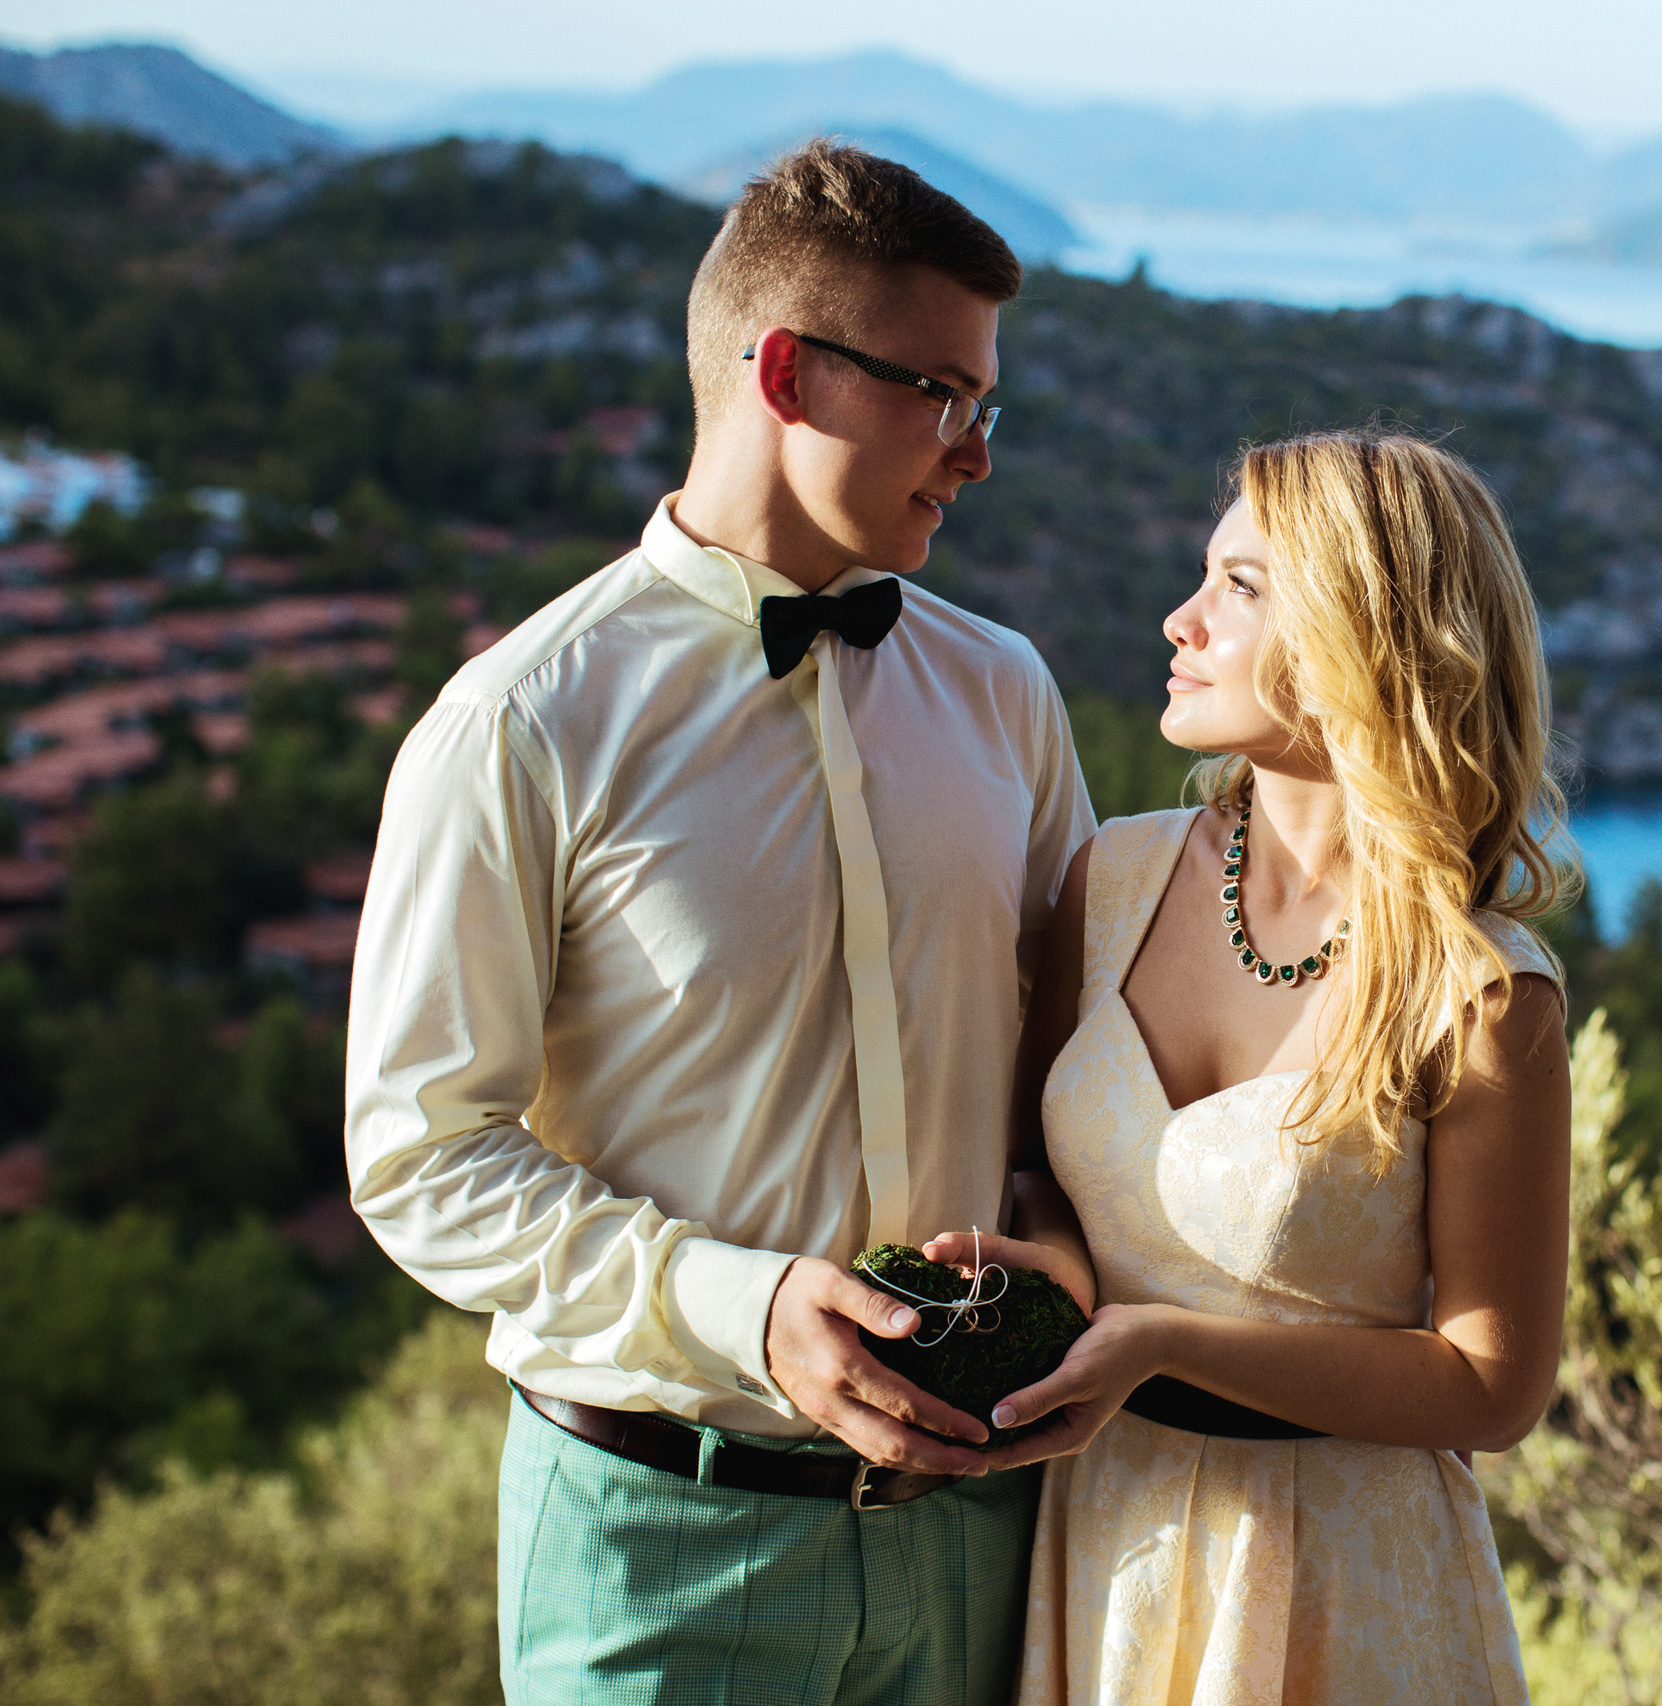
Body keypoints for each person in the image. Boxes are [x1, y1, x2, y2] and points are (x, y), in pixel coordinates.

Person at [344, 141, 1095, 1705]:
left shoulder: (1006, 695)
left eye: (985, 405)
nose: (975, 454)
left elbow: (1078, 1067)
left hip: (984, 1529)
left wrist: (1070, 1264)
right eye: (940, 396)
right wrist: (741, 1306)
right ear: (785, 373)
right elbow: (420, 1155)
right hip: (657, 1542)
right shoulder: (520, 725)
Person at [934, 431, 1573, 1705]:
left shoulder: (1482, 991)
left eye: (1239, 585)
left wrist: (1166, 1343)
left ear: (1364, 634)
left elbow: (1494, 1385)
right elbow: (1033, 1167)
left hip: (1342, 1578)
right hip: (1101, 1536)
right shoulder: (1111, 876)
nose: (1180, 619)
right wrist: (1059, 1266)